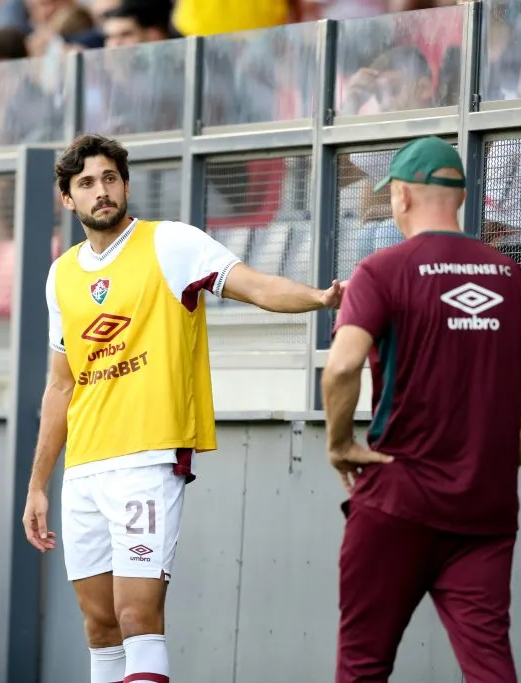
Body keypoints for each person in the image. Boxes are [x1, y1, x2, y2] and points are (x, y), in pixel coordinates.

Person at [22, 133, 344, 683]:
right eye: (86, 184)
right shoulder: (61, 274)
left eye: (109, 179)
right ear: (67, 199)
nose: (101, 191)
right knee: (99, 625)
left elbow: (255, 285)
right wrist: (37, 483)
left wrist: (318, 298)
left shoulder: (171, 244)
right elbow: (60, 385)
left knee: (136, 615)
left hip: (148, 460)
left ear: (124, 184)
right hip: (84, 469)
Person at [322, 136, 521, 683]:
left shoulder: (381, 270)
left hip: (396, 502)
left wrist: (340, 444)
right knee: (489, 667)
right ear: (458, 198)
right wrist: (497, 461)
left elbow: (341, 367)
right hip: (483, 511)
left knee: (362, 665)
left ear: (404, 198)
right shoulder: (510, 276)